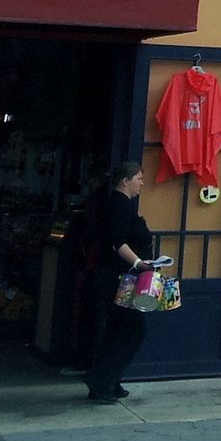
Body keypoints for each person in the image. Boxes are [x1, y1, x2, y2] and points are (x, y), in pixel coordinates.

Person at [84, 161, 156, 401]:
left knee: (116, 329)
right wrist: (139, 263)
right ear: (125, 181)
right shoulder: (119, 205)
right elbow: (117, 242)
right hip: (119, 278)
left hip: (121, 276)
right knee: (133, 329)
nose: (141, 183)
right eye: (138, 178)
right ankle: (101, 379)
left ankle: (108, 381)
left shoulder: (120, 205)